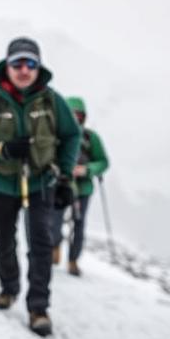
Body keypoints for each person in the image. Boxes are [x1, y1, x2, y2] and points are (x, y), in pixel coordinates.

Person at [0, 37, 81, 337]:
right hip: (1, 183)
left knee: (40, 244)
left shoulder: (52, 101)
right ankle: (9, 287)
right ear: (7, 66)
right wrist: (1, 150)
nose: (24, 70)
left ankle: (38, 307)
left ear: (38, 67)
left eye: (30, 63)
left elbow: (72, 135)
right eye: (17, 63)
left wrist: (65, 177)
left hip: (41, 181)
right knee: (3, 241)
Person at [61, 96, 109, 276]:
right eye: (71, 115)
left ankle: (73, 260)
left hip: (82, 190)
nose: (75, 119)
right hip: (60, 186)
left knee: (79, 224)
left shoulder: (90, 138)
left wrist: (87, 170)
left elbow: (103, 162)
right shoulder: (57, 136)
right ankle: (54, 246)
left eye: (78, 115)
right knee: (53, 221)